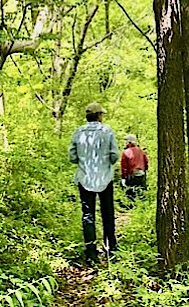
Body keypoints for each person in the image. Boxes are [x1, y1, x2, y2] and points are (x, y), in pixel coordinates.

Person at [68, 102, 119, 265]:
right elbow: (114, 155)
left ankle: (91, 254)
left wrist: (84, 160)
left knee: (88, 215)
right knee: (108, 213)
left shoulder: (78, 132)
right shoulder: (107, 130)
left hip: (84, 178)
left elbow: (72, 157)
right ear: (99, 115)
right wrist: (105, 163)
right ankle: (111, 250)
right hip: (105, 178)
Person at [120, 134, 148, 204]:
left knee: (131, 193)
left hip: (131, 175)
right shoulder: (141, 151)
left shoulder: (126, 152)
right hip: (142, 174)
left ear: (129, 142)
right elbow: (146, 162)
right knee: (141, 192)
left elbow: (124, 166)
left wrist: (123, 177)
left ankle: (131, 206)